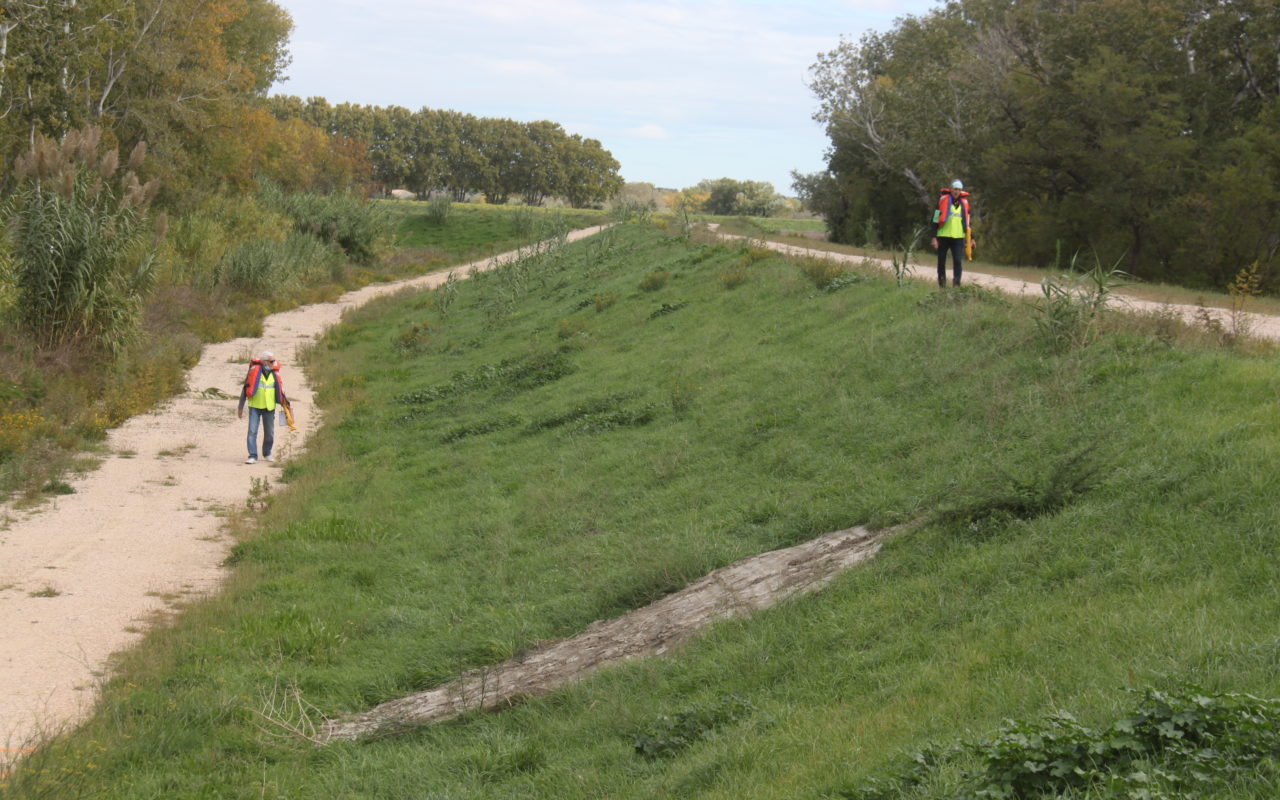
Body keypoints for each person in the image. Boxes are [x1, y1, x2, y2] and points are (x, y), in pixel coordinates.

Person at [237, 350, 288, 465]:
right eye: (271, 361)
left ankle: (267, 453)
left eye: (274, 360)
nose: (274, 363)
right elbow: (245, 389)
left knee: (269, 432)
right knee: (252, 431)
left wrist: (285, 405)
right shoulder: (253, 372)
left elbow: (281, 390)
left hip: (269, 407)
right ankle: (252, 456)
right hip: (255, 406)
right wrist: (240, 407)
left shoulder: (275, 373)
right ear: (264, 362)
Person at [930, 179, 974, 287]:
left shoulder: (964, 204)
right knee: (941, 262)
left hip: (958, 237)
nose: (957, 191)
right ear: (951, 189)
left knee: (958, 261)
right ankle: (942, 285)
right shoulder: (942, 201)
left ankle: (956, 285)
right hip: (943, 236)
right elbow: (935, 219)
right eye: (955, 189)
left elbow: (968, 223)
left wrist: (972, 238)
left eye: (959, 189)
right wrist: (933, 237)